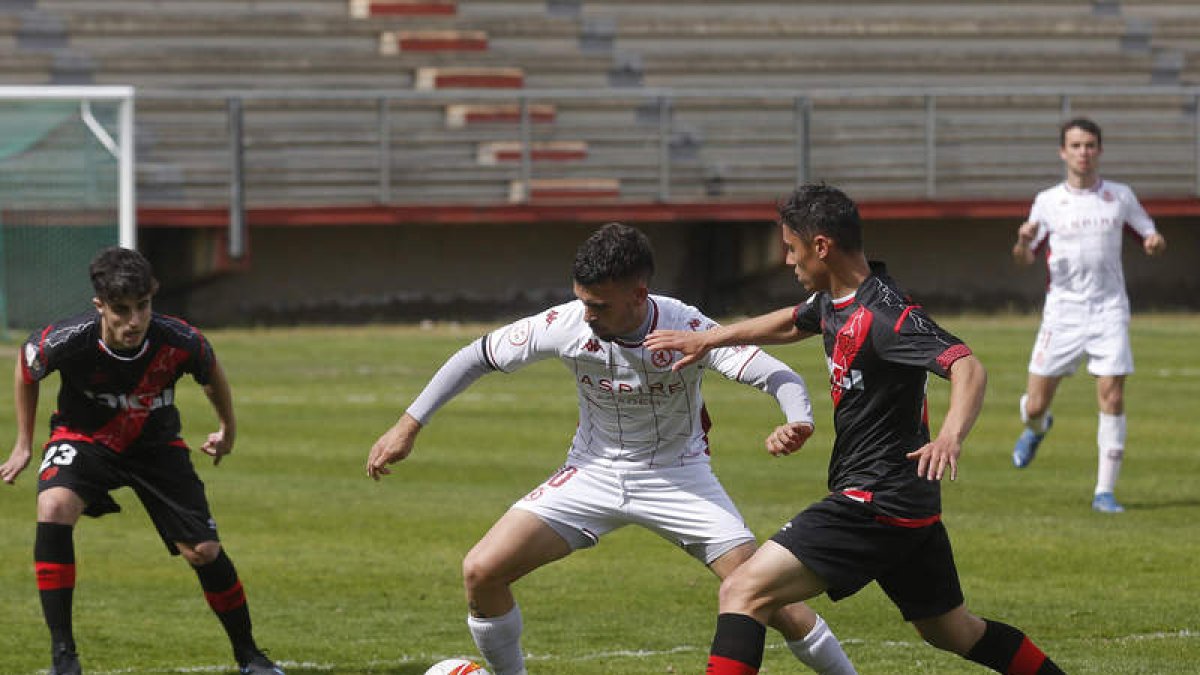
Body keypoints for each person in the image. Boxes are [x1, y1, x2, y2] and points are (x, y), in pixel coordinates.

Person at [366, 222, 856, 675]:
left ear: (638, 294)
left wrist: (799, 419)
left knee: (771, 601)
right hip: (591, 472)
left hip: (679, 478)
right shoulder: (567, 324)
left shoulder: (688, 326)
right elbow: (476, 357)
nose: (588, 314)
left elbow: (780, 375)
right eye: (583, 301)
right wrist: (408, 425)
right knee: (481, 571)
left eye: (599, 305)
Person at [644, 184, 1065, 675]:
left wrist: (951, 435)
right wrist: (712, 338)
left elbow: (967, 365)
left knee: (744, 590)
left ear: (821, 246)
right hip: (907, 505)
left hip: (874, 501)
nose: (786, 260)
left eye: (791, 248)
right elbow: (791, 323)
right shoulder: (834, 301)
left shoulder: (886, 315)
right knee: (953, 630)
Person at [0, 247, 284, 675]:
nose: (134, 321)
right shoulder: (66, 340)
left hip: (156, 448)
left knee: (204, 551)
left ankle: (250, 656)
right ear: (100, 306)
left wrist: (228, 429)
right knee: (53, 506)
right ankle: (64, 657)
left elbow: (211, 372)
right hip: (84, 439)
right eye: (121, 310)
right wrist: (23, 442)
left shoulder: (179, 339)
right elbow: (27, 367)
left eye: (143, 306)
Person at [1010, 117, 1167, 514]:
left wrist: (1154, 241)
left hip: (1109, 309)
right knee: (1035, 405)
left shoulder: (1120, 196)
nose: (1084, 152)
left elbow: (1148, 233)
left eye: (1090, 145)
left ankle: (1104, 492)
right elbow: (1024, 259)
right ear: (1063, 152)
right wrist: (1022, 241)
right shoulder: (1047, 201)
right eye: (1076, 146)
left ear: (1099, 150)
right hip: (1063, 312)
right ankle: (1037, 427)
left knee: (1112, 395)